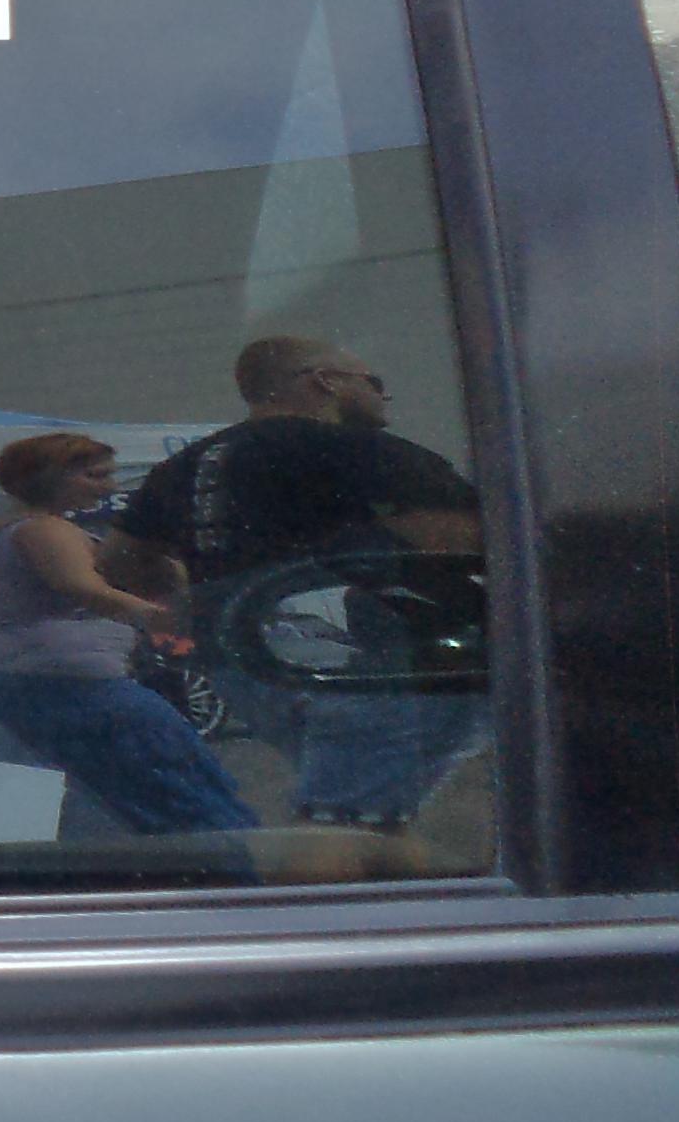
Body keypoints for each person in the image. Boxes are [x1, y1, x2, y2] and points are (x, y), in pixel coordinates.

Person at [112, 335, 484, 831]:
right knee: (348, 828)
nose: (383, 395)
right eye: (373, 382)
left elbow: (119, 561)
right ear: (326, 381)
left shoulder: (182, 468)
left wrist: (184, 602)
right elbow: (464, 542)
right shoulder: (355, 450)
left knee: (380, 811)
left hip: (246, 669)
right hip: (367, 666)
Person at [0, 433, 256, 838]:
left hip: (4, 673)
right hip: (69, 677)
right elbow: (80, 586)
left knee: (70, 790)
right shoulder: (46, 530)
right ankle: (220, 852)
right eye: (94, 476)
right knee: (166, 770)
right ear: (49, 477)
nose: (108, 487)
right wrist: (153, 615)